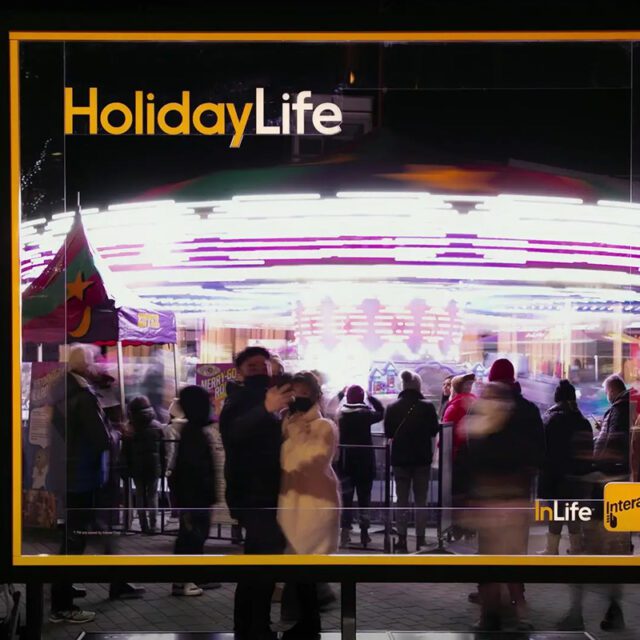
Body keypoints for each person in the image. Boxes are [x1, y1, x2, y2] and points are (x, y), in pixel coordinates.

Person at [462, 358, 544, 631]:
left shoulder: (479, 408)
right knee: (515, 554)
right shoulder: (529, 411)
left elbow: (470, 453)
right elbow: (539, 452)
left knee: (488, 555)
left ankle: (489, 613)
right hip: (518, 494)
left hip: (488, 495)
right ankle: (519, 610)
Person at [220, 346, 292, 640]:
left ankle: (251, 626)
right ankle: (255, 627)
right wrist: (266, 409)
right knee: (261, 565)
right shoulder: (238, 400)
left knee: (259, 563)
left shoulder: (273, 395)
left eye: (263, 365)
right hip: (252, 494)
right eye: (251, 366)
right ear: (239, 370)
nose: (259, 370)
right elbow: (234, 433)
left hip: (272, 491)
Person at [48, 345, 110, 623]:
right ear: (85, 364)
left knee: (70, 535)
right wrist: (118, 435)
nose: (98, 364)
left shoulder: (61, 389)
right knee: (75, 539)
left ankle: (64, 590)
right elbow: (101, 439)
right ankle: (62, 606)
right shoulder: (83, 395)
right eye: (95, 360)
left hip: (66, 472)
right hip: (82, 474)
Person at [277, 371, 340, 639]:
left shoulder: (324, 426)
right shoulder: (287, 423)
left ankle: (310, 622)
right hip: (292, 501)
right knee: (298, 567)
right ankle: (307, 619)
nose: (297, 398)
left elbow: (309, 461)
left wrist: (297, 434)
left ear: (315, 395)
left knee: (306, 565)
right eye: (294, 393)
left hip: (315, 504)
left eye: (303, 393)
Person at [384, 370, 439, 552]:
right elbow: (433, 431)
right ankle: (421, 539)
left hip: (400, 460)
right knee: (421, 499)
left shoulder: (392, 407)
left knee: (402, 499)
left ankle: (401, 539)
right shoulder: (428, 407)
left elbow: (389, 433)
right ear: (418, 386)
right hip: (422, 459)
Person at [171, 385, 217, 597]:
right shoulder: (193, 434)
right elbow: (192, 470)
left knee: (195, 535)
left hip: (196, 496)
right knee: (192, 536)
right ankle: (185, 581)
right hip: (195, 496)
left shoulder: (194, 431)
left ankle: (194, 577)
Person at [537, 380, 593, 555]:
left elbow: (541, 449)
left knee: (556, 513)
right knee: (574, 512)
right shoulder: (582, 420)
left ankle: (551, 549)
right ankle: (576, 547)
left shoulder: (549, 419)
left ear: (557, 398)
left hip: (554, 476)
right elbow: (588, 450)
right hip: (577, 477)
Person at [336, 384, 384, 546]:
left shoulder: (340, 415)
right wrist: (371, 398)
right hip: (364, 463)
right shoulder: (366, 414)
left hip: (345, 463)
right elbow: (381, 412)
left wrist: (340, 394)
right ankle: (364, 533)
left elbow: (331, 409)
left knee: (346, 499)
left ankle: (345, 532)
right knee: (364, 499)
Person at [122, 395, 165, 535]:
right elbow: (163, 450)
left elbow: (125, 452)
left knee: (139, 495)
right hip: (153, 466)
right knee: (153, 495)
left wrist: (126, 467)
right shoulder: (158, 426)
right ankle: (154, 526)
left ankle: (143, 526)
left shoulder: (130, 429)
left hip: (137, 467)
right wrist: (163, 466)